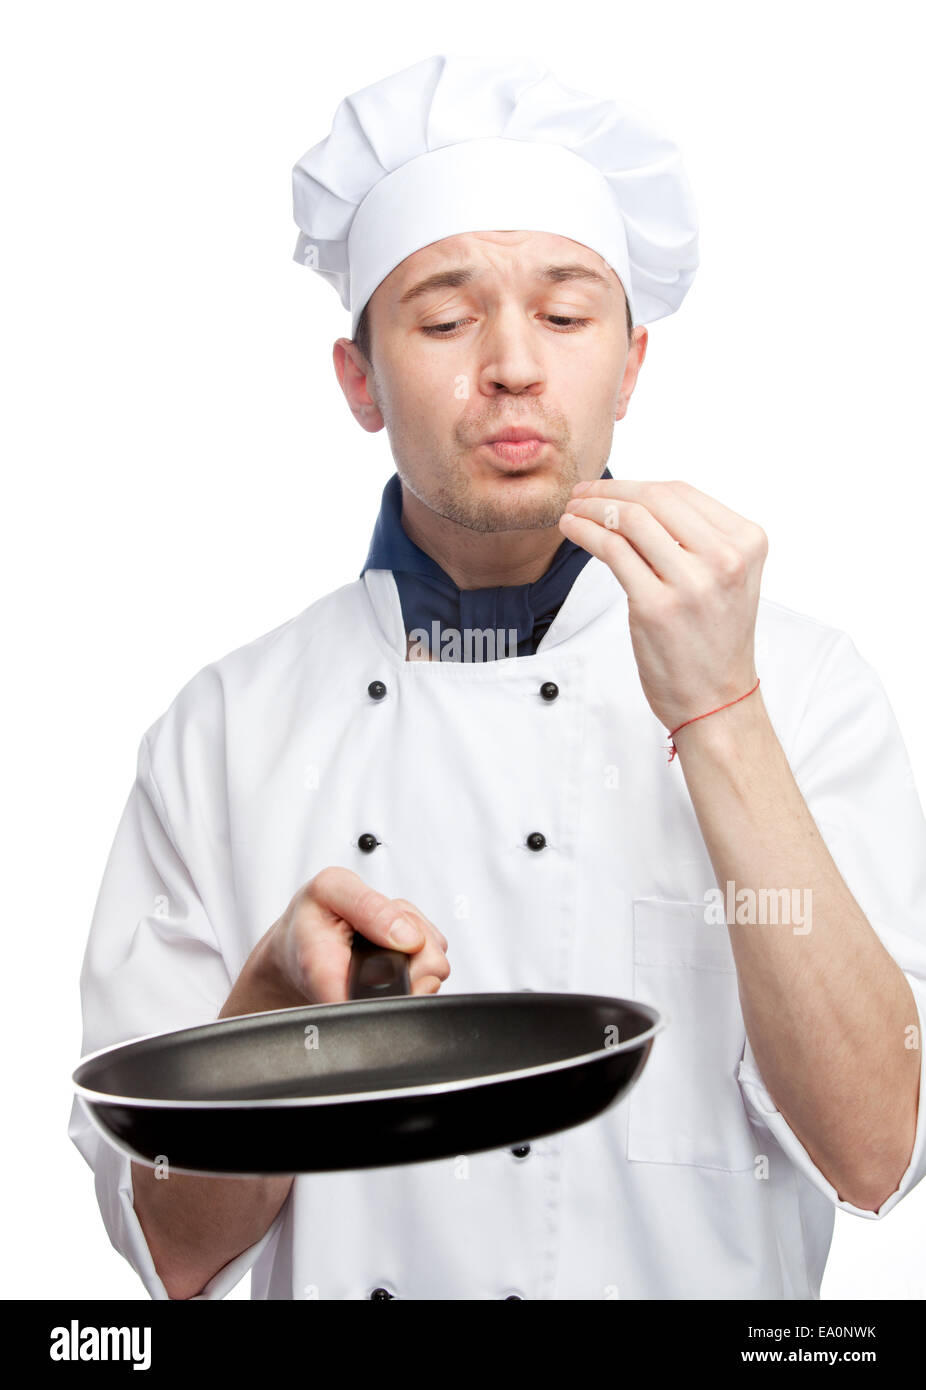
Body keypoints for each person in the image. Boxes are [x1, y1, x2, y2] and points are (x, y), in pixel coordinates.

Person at [69, 53, 926, 1301]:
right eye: (444, 316)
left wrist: (717, 713)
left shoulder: (799, 685)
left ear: (630, 363)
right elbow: (174, 1248)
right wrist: (270, 1016)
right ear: (358, 378)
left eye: (567, 314)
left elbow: (875, 1150)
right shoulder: (226, 731)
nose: (513, 365)